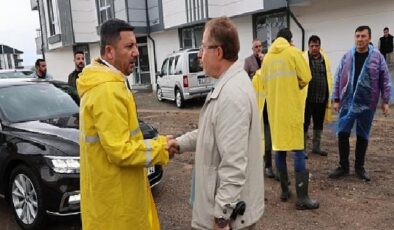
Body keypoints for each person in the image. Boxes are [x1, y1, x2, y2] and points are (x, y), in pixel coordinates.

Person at [167, 17, 264, 230]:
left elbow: (234, 164)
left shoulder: (232, 94)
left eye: (203, 47)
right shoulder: (228, 84)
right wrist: (179, 143)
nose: (200, 55)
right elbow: (212, 131)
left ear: (218, 52)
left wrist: (221, 218)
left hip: (229, 220)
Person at [76, 19, 171, 230]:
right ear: (109, 52)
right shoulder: (107, 90)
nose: (136, 52)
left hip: (111, 198)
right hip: (117, 208)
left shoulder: (108, 83)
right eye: (129, 46)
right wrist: (161, 148)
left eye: (136, 45)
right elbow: (121, 151)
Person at [253, 28, 319, 210]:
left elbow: (263, 83)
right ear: (290, 40)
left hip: (275, 113)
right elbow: (306, 77)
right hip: (292, 111)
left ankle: (284, 191)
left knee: (279, 150)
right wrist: (296, 84)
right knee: (298, 150)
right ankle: (303, 197)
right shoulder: (293, 53)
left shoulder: (267, 60)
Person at [329, 25, 392, 182]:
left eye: (363, 36)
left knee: (362, 134)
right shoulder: (347, 56)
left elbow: (385, 79)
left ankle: (359, 167)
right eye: (357, 36)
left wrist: (386, 101)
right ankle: (343, 166)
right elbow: (338, 77)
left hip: (367, 103)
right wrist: (336, 99)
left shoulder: (377, 57)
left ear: (369, 38)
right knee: (343, 133)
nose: (360, 39)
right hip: (348, 101)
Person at [303, 35, 333, 157]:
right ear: (308, 47)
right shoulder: (303, 59)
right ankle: (302, 149)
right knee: (304, 124)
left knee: (318, 124)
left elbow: (329, 77)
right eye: (312, 46)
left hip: (321, 98)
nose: (314, 48)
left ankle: (316, 147)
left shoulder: (325, 60)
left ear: (320, 47)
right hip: (307, 99)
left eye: (316, 46)